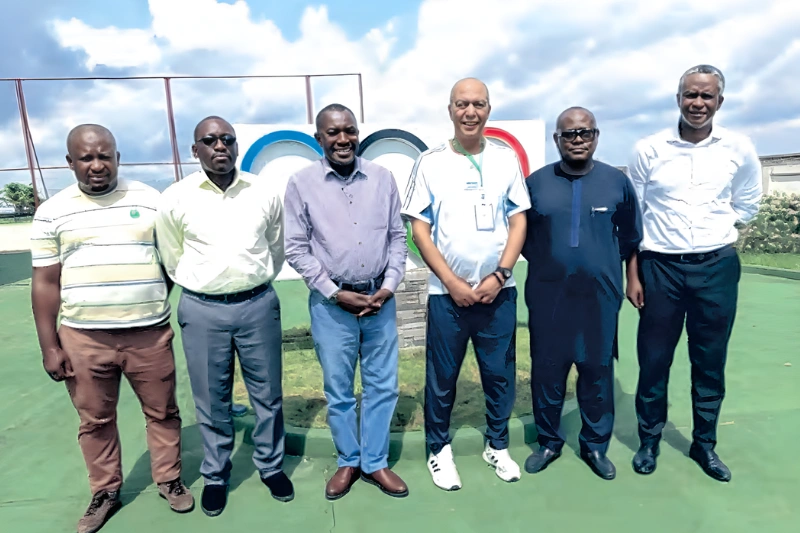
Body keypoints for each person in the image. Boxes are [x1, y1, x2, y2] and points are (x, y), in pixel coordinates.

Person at [30, 124, 194, 533]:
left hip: (149, 335)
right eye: (86, 158)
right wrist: (50, 346)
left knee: (163, 412)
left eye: (105, 155)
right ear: (70, 163)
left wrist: (149, 297)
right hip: (83, 339)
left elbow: (170, 263)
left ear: (118, 157)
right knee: (96, 420)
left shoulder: (150, 201)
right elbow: (46, 283)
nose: (97, 165)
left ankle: (169, 479)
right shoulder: (52, 211)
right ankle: (105, 491)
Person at [626, 65, 762, 482]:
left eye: (706, 96)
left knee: (709, 362)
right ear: (678, 98)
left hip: (716, 268)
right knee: (653, 361)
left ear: (719, 101)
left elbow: (748, 203)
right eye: (690, 95)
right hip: (660, 268)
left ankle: (704, 445)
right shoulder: (649, 149)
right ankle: (649, 440)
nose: (697, 103)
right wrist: (633, 275)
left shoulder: (738, 148)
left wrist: (713, 233)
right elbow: (634, 216)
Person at [155, 116, 291, 516]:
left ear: (235, 145)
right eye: (209, 140)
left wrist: (249, 281)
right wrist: (206, 284)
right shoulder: (175, 198)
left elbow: (275, 247)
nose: (220, 146)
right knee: (211, 399)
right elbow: (171, 254)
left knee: (267, 394)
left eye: (227, 139)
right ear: (195, 150)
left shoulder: (263, 192)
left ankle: (270, 466)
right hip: (202, 309)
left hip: (257, 305)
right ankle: (216, 474)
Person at [403, 78, 530, 490]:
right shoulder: (430, 162)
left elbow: (518, 220)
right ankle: (438, 450)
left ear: (489, 109)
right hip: (447, 296)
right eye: (462, 104)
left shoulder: (505, 159)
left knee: (499, 374)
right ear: (450, 110)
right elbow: (419, 229)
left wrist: (500, 274)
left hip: (498, 293)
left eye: (478, 104)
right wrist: (450, 280)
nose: (470, 112)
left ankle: (497, 445)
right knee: (442, 378)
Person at [284, 103, 409, 500]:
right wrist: (334, 292)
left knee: (382, 386)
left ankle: (375, 463)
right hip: (331, 305)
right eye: (333, 132)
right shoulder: (300, 183)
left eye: (349, 130)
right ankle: (348, 461)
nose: (343, 139)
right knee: (339, 390)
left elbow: (397, 237)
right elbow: (295, 247)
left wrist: (388, 286)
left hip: (379, 299)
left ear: (357, 133)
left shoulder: (382, 178)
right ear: (319, 138)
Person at [522, 107, 642, 480]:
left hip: (599, 297)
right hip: (548, 296)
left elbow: (631, 238)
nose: (577, 140)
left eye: (584, 133)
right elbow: (522, 239)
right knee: (548, 370)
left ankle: (594, 445)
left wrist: (632, 280)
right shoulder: (536, 183)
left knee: (597, 370)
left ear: (596, 136)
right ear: (556, 139)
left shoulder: (616, 183)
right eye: (569, 134)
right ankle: (549, 442)